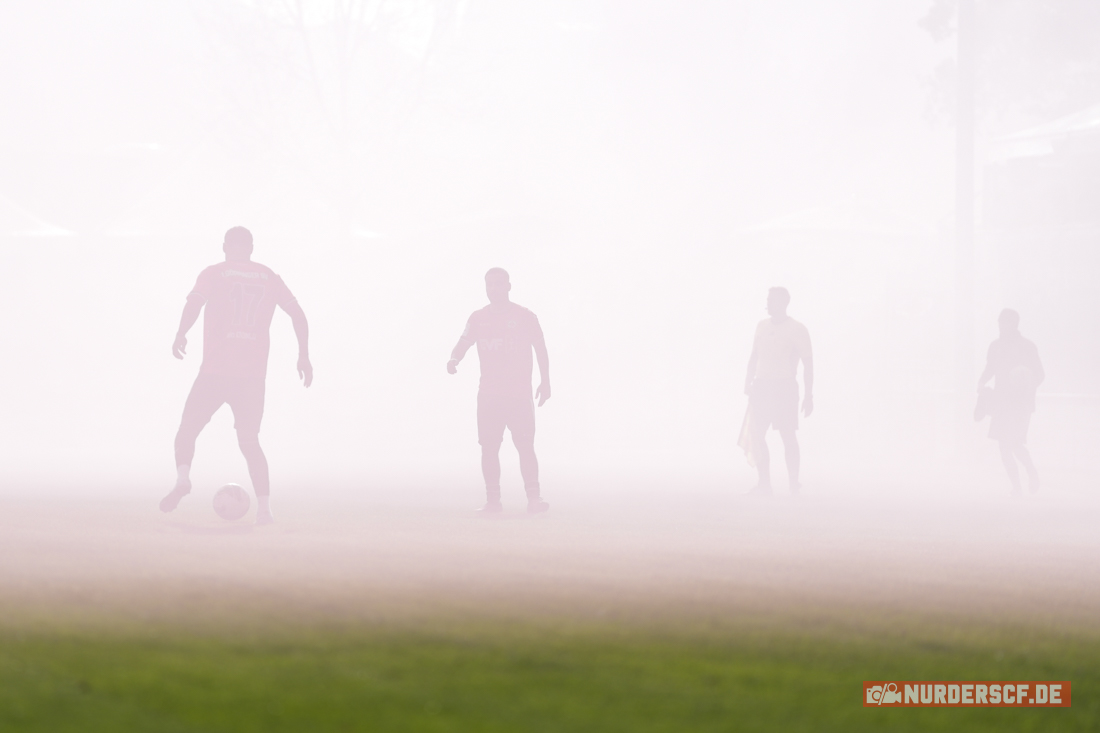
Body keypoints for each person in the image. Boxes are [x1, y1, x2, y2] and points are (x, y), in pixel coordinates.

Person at [159, 226, 312, 524]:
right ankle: (265, 510)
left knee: (187, 430)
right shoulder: (269, 277)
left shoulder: (215, 273)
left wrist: (181, 332)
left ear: (225, 246)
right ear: (252, 248)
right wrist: (303, 354)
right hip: (252, 377)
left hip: (215, 372)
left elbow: (195, 302)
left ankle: (183, 478)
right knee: (250, 442)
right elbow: (297, 313)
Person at [448, 268, 550, 514]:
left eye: (498, 284)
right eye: (489, 284)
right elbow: (463, 342)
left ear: (508, 286)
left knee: (525, 446)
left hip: (518, 396)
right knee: (489, 448)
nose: (493, 289)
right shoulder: (478, 318)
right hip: (489, 396)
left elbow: (541, 348)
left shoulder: (525, 316)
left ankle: (534, 500)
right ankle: (493, 502)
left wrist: (545, 382)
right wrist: (453, 359)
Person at [738, 286, 813, 494]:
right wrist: (747, 381)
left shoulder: (797, 329)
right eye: (768, 300)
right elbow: (754, 356)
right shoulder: (761, 326)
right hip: (762, 387)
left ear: (783, 303)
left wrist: (809, 395)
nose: (768, 304)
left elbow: (808, 363)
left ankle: (793, 483)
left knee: (787, 436)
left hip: (784, 387)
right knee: (757, 434)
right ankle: (764, 483)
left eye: (772, 300)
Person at [978, 308, 1044, 493]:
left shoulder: (1027, 347)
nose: (1001, 325)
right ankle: (1016, 487)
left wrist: (1025, 386)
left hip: (1021, 405)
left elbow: (1040, 374)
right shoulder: (995, 346)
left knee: (1014, 443)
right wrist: (981, 382)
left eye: (1005, 322)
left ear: (1014, 324)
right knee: (1003, 446)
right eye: (1000, 322)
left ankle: (1031, 472)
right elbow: (990, 368)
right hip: (1001, 403)